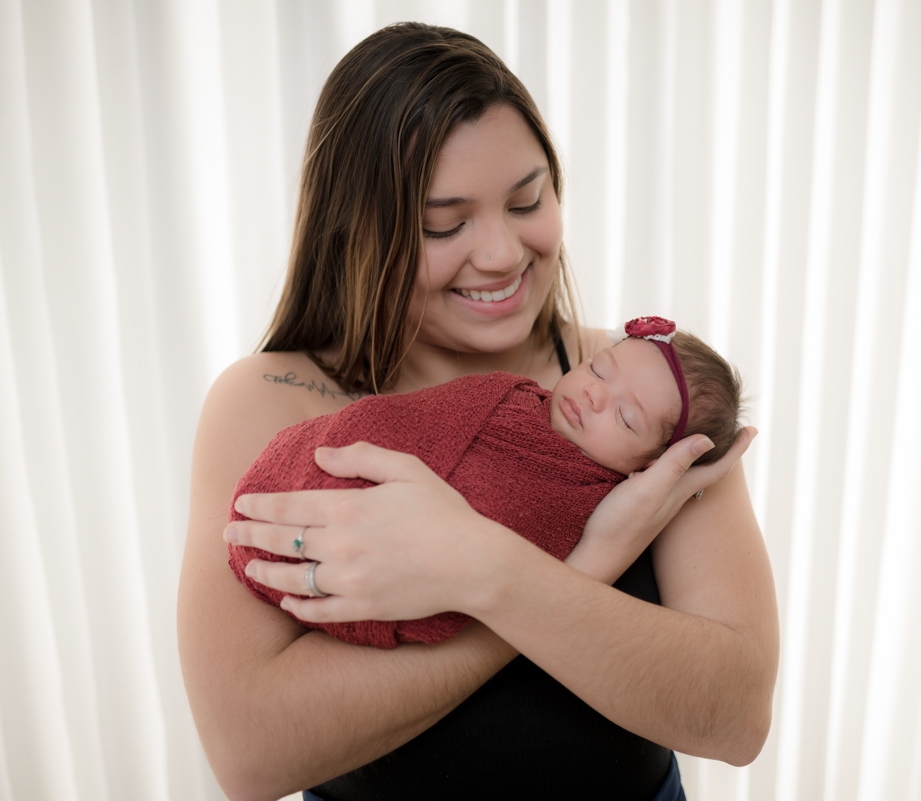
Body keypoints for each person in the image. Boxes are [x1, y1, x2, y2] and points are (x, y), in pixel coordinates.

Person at [178, 21, 778, 801]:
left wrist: (489, 571)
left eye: (528, 200)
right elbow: (250, 753)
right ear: (355, 230)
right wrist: (569, 571)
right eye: (444, 223)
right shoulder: (270, 401)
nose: (500, 254)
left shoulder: (642, 393)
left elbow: (736, 716)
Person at [227, 318, 744, 648]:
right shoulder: (513, 396)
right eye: (598, 370)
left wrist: (595, 552)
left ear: (655, 468)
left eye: (626, 418)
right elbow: (410, 420)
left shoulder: (581, 497)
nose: (593, 394)